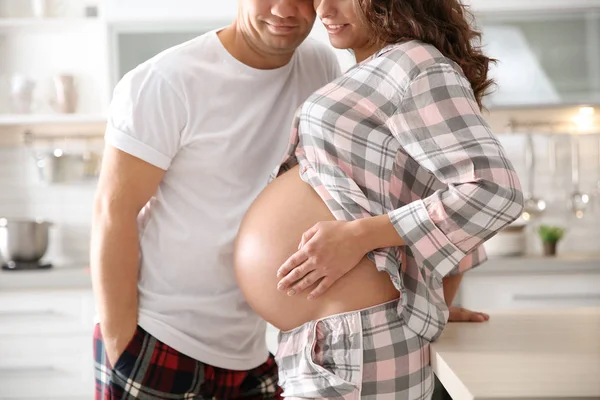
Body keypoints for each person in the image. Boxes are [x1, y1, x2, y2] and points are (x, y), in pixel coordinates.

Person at [233, 0, 523, 398]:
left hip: (359, 343)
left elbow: (493, 191)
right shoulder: (381, 69)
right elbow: (432, 186)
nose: (325, 10)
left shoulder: (415, 64)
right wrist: (431, 300)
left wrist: (360, 237)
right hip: (335, 339)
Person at [89, 0, 343, 398]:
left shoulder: (320, 67)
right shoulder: (168, 80)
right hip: (158, 337)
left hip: (252, 347)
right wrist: (122, 344)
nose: (285, 9)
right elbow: (112, 213)